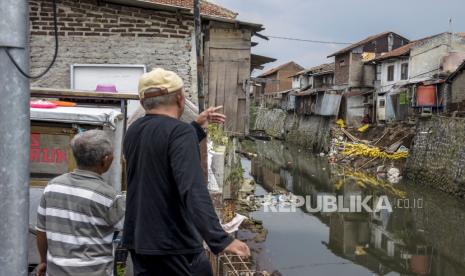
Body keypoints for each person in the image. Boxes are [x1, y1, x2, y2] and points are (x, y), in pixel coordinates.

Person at [123, 68, 250, 276]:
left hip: (139, 242)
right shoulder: (179, 132)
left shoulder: (134, 131)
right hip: (173, 245)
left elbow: (161, 147)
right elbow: (192, 189)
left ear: (142, 102)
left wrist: (197, 126)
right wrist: (220, 239)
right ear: (181, 99)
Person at [36, 130, 125, 276]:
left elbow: (41, 230)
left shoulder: (52, 186)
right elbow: (131, 230)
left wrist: (43, 261)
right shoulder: (109, 196)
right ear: (105, 160)